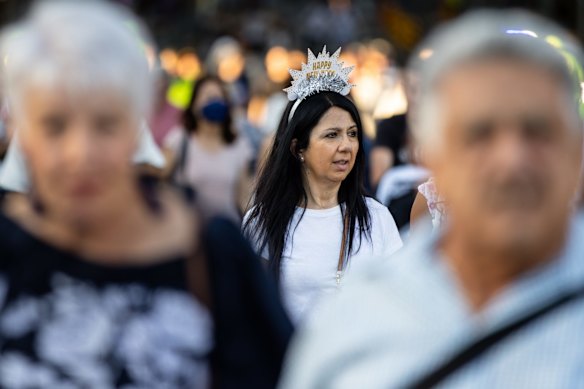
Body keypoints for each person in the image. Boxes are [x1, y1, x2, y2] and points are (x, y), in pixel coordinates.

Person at [279, 10, 584, 388]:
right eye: (480, 134)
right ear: (432, 155)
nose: (511, 161)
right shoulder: (354, 321)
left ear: (576, 152)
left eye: (538, 131)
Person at [0, 2, 209, 387]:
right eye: (55, 125)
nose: (80, 153)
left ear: (135, 128)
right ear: (23, 136)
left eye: (105, 124)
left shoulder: (211, 256)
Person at [243, 46, 402, 325]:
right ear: (298, 148)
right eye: (332, 135)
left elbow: (399, 303)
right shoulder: (263, 220)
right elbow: (250, 313)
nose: (346, 146)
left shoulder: (377, 218)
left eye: (352, 134)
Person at [164, 75, 253, 223]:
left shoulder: (239, 144)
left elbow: (244, 197)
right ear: (193, 105)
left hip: (227, 232)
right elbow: (160, 176)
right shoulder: (180, 139)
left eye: (218, 97)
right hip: (190, 234)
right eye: (207, 96)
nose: (214, 101)